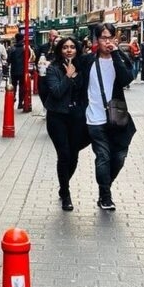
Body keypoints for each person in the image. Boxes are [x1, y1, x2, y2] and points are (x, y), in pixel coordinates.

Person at [81, 23, 136, 211]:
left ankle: (105, 187)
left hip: (117, 117)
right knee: (103, 156)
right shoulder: (87, 60)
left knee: (119, 157)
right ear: (97, 39)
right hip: (94, 118)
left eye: (110, 37)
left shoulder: (120, 58)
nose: (107, 41)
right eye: (103, 38)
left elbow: (126, 79)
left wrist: (116, 55)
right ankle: (105, 196)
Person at [44, 36, 90, 211]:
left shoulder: (83, 68)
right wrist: (68, 77)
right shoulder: (53, 69)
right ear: (60, 50)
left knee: (74, 155)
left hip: (77, 117)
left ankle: (64, 184)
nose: (69, 50)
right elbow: (56, 92)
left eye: (72, 47)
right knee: (64, 154)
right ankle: (66, 193)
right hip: (57, 117)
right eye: (65, 47)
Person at [8, 32, 35, 109]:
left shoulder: (11, 48)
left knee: (13, 86)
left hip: (13, 70)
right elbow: (29, 57)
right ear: (23, 39)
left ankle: (12, 100)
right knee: (22, 87)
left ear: (16, 39)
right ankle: (20, 103)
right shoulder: (26, 48)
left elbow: (9, 60)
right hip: (23, 70)